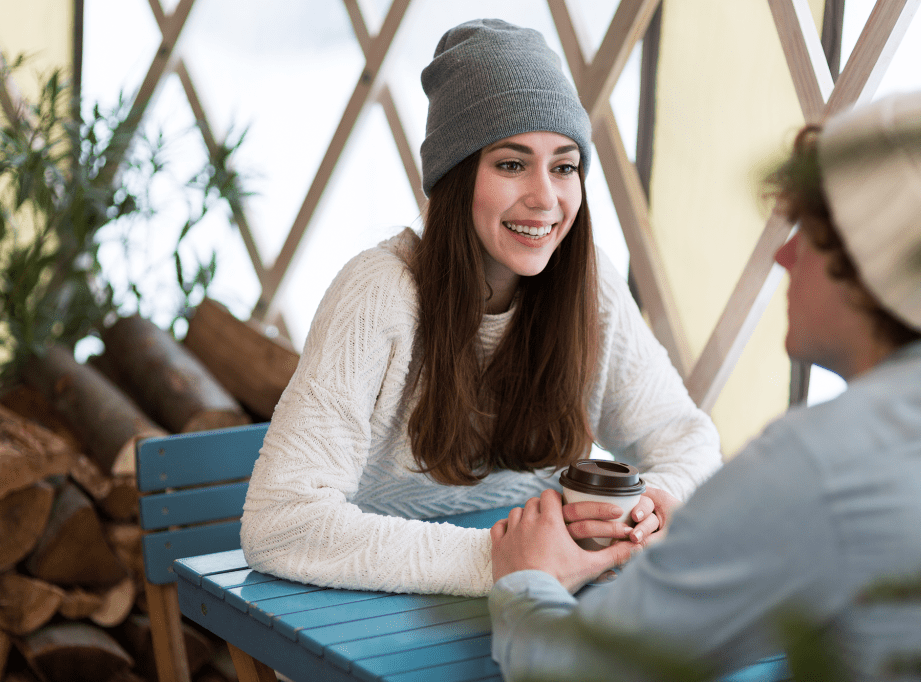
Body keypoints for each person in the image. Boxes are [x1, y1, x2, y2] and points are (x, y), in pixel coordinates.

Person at [488, 90, 921, 679]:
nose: (785, 256)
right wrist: (705, 546)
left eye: (810, 233)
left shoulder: (824, 463)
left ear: (875, 262)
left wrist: (527, 577)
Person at [239, 18, 721, 598]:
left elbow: (686, 439)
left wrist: (655, 504)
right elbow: (279, 523)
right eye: (511, 164)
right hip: (369, 619)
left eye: (564, 165)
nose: (546, 198)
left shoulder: (589, 287)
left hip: (532, 610)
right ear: (456, 176)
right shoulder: (378, 294)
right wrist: (508, 559)